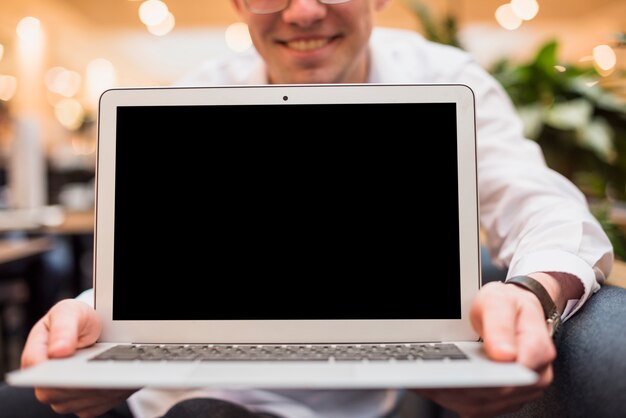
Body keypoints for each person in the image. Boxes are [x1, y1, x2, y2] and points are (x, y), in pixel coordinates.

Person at [1, 0, 624, 417]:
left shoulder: (439, 75)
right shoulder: (196, 97)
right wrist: (85, 319)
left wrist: (532, 294)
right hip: (176, 387)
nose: (303, 10)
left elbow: (545, 210)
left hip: (361, 396)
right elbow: (148, 273)